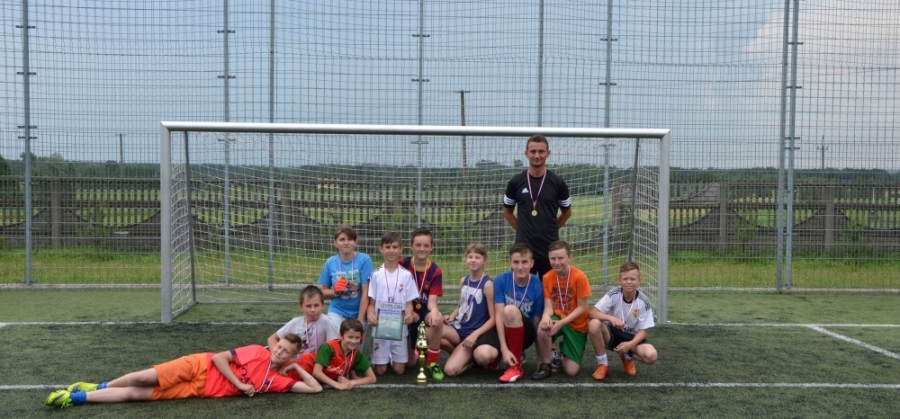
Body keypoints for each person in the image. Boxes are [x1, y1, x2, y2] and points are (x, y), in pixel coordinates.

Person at [45, 334, 321, 408]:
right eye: (279, 347)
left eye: (286, 352)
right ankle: (99, 387)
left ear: (291, 356)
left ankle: (75, 398)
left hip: (199, 389)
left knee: (137, 394)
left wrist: (296, 367)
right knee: (143, 377)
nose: (279, 352)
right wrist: (239, 384)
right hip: (199, 364)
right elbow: (220, 359)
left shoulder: (276, 380)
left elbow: (315, 388)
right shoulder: (257, 352)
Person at [503, 134, 572, 278]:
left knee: (550, 289)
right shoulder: (516, 182)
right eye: (533, 151)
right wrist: (522, 229)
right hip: (523, 248)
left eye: (541, 151)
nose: (537, 156)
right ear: (526, 153)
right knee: (522, 288)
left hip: (550, 249)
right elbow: (507, 212)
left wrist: (552, 228)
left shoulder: (558, 183)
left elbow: (567, 212)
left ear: (548, 153)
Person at [485, 243, 547, 383]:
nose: (520, 267)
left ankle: (516, 367)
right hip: (504, 329)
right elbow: (498, 316)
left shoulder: (537, 284)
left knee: (510, 310)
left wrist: (541, 360)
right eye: (516, 262)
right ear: (510, 263)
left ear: (532, 263)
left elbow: (536, 322)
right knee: (481, 357)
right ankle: (500, 354)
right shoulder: (501, 280)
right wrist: (503, 348)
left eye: (524, 262)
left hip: (526, 333)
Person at [588, 261, 658, 380]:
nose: (629, 282)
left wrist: (630, 344)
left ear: (639, 280)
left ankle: (626, 356)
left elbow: (643, 331)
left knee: (651, 356)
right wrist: (611, 318)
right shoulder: (614, 294)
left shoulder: (643, 301)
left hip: (631, 338)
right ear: (619, 280)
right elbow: (592, 313)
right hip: (611, 335)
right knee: (594, 323)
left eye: (632, 279)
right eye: (625, 279)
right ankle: (603, 364)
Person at [533, 240, 592, 379]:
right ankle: (546, 364)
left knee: (571, 371)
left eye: (560, 258)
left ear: (569, 257)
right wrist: (546, 316)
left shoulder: (579, 276)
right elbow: (549, 306)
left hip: (576, 324)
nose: (556, 262)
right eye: (553, 259)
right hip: (557, 318)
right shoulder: (547, 277)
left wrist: (562, 323)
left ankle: (564, 348)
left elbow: (582, 307)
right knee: (543, 327)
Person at [439, 243, 496, 377]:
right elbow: (461, 305)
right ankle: (457, 351)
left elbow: (494, 318)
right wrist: (451, 316)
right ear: (465, 259)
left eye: (477, 257)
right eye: (470, 257)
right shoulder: (463, 280)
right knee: (430, 332)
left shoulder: (488, 285)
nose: (473, 260)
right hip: (458, 328)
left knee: (450, 371)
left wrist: (475, 335)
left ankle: (469, 357)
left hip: (472, 334)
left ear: (485, 260)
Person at [366, 231, 419, 375]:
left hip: (399, 327)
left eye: (395, 247)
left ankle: (392, 356)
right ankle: (382, 357)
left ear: (401, 249)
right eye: (388, 247)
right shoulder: (376, 275)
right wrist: (370, 314)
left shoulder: (406, 275)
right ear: (381, 249)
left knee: (399, 370)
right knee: (380, 371)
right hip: (380, 327)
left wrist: (409, 314)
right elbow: (371, 304)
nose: (391, 251)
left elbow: (409, 303)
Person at [399, 227, 445, 380]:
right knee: (409, 364)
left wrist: (435, 311)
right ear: (411, 246)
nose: (422, 249)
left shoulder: (435, 271)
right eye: (418, 245)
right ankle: (415, 349)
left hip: (423, 310)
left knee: (437, 319)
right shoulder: (401, 264)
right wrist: (409, 311)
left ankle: (432, 363)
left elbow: (432, 302)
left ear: (432, 247)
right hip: (404, 311)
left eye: (426, 245)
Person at [292, 318, 377, 390]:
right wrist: (337, 385)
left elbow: (372, 378)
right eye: (350, 337)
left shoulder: (356, 354)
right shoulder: (329, 346)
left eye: (357, 338)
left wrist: (351, 382)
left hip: (304, 377)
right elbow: (316, 372)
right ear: (341, 336)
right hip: (298, 365)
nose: (354, 341)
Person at [318, 226, 373, 332]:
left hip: (358, 313)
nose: (346, 243)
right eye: (342, 239)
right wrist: (334, 291)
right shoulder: (330, 262)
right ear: (335, 243)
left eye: (350, 239)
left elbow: (366, 293)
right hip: (337, 312)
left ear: (355, 242)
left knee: (353, 341)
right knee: (336, 341)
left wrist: (360, 320)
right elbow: (322, 293)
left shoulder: (364, 260)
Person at [267, 285, 338, 355]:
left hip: (317, 361)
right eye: (308, 306)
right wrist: (277, 356)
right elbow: (272, 339)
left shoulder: (326, 322)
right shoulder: (295, 322)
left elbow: (333, 347)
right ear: (301, 306)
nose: (313, 310)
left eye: (316, 305)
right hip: (296, 360)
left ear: (322, 305)